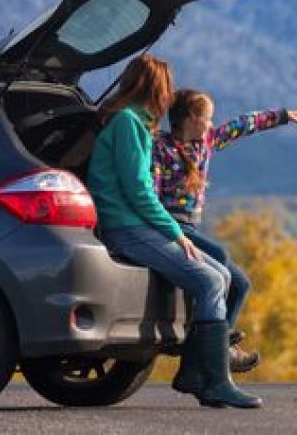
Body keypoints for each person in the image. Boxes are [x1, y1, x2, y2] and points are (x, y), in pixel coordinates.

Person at [86, 55, 261, 409]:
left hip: (135, 223)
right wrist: (175, 233)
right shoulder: (128, 123)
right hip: (126, 227)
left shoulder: (134, 123)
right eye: (166, 88)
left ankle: (195, 374)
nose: (169, 97)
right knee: (210, 280)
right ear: (155, 88)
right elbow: (138, 190)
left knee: (223, 275)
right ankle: (214, 382)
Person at [152, 89, 297, 377]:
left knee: (240, 284)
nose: (212, 124)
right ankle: (216, 350)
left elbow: (243, 125)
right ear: (191, 118)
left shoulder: (206, 142)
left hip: (191, 227)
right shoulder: (160, 148)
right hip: (172, 227)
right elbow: (151, 195)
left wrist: (283, 116)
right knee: (220, 255)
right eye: (208, 118)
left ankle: (220, 343)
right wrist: (167, 230)